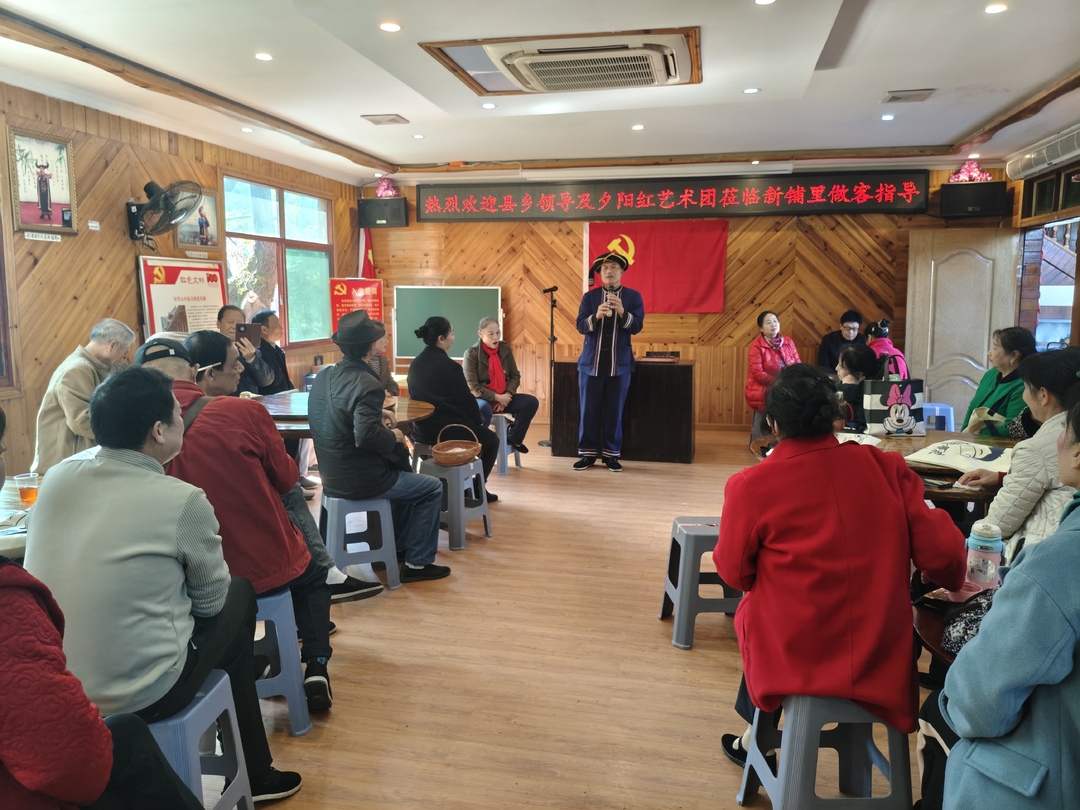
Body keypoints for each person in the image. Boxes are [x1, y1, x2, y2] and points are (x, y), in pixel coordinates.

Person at [23, 365, 302, 802]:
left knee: (224, 633)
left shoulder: (57, 476)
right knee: (239, 595)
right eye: (177, 413)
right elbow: (211, 605)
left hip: (61, 683)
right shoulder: (182, 499)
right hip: (144, 692)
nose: (182, 420)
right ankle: (255, 768)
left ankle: (250, 756)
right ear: (158, 431)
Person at [713, 364, 966, 765]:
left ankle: (756, 738)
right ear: (836, 416)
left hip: (793, 657)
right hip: (880, 654)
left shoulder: (751, 485)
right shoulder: (886, 468)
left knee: (760, 607)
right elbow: (946, 558)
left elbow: (734, 573)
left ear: (773, 424)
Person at [168, 331, 336, 711]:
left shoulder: (146, 429)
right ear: (204, 373)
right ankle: (315, 665)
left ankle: (247, 664)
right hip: (265, 564)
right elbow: (288, 479)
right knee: (314, 576)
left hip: (193, 579)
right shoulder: (244, 413)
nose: (241, 371)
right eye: (234, 365)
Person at [939, 397, 1080, 809]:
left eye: (1065, 430)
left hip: (1047, 781)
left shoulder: (1058, 563)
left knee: (940, 714)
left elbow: (977, 704)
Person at [0, 555, 204, 810]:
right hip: (149, 689)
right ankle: (248, 767)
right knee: (239, 597)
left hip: (95, 695)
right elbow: (71, 766)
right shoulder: (8, 601)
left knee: (126, 732)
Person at [309, 310, 450, 583]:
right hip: (361, 479)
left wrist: (377, 414)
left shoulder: (325, 376)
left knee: (403, 474)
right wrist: (394, 436)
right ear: (372, 345)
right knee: (431, 487)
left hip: (331, 475)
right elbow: (366, 437)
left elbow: (339, 413)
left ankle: (396, 547)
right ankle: (417, 564)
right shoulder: (368, 382)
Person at [956, 348, 1080, 562]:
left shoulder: (1039, 447)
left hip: (1035, 556)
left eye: (1025, 387)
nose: (1024, 396)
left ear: (1043, 395)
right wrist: (1002, 477)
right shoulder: (1071, 427)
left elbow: (997, 525)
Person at [407, 316, 501, 500]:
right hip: (448, 431)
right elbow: (467, 401)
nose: (454, 337)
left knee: (478, 432)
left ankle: (453, 486)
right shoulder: (450, 366)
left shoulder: (415, 364)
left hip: (422, 430)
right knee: (491, 440)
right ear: (441, 339)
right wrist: (478, 422)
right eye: (452, 333)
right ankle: (476, 489)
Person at [32, 318, 136, 475]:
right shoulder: (77, 369)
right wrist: (127, 437)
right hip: (65, 467)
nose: (124, 358)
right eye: (125, 352)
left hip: (76, 464)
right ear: (112, 345)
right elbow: (82, 421)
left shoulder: (94, 368)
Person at [573, 252, 645, 472]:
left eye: (614, 267)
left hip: (619, 364)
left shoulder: (633, 296)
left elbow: (637, 326)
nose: (609, 271)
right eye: (605, 268)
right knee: (588, 411)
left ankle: (611, 455)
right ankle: (587, 454)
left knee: (615, 411)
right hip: (590, 364)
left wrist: (622, 311)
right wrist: (596, 316)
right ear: (600, 273)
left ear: (621, 271)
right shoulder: (590, 297)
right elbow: (580, 325)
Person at [249, 309, 320, 492]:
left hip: (286, 400)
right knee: (284, 443)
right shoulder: (258, 351)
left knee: (296, 439)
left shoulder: (276, 349)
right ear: (263, 329)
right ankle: (290, 483)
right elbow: (267, 381)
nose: (282, 329)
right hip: (272, 405)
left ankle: (297, 475)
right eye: (277, 325)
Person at [463, 317, 540, 453]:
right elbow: (473, 387)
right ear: (480, 334)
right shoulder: (471, 354)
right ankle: (483, 446)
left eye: (498, 332)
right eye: (491, 334)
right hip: (482, 398)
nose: (496, 337)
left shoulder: (504, 348)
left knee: (531, 402)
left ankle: (513, 438)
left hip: (504, 395)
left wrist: (507, 396)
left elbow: (515, 376)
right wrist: (497, 398)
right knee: (482, 409)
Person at [961, 326, 1037, 437]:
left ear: (1014, 355)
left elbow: (1010, 430)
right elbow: (973, 407)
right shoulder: (991, 374)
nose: (989, 352)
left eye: (995, 348)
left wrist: (975, 433)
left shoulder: (1023, 387)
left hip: (994, 445)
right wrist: (963, 434)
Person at [744, 310, 800, 445]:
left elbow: (797, 363)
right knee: (763, 416)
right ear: (761, 328)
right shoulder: (757, 346)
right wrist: (779, 382)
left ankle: (781, 447)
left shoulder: (788, 342)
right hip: (763, 389)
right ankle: (758, 446)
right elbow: (757, 373)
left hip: (786, 387)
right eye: (768, 323)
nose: (773, 325)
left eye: (775, 321)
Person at [217, 304, 274, 396]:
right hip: (223, 402)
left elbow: (266, 380)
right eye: (230, 322)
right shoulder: (210, 349)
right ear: (219, 324)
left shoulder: (250, 349)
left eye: (239, 323)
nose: (234, 326)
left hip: (249, 401)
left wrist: (252, 358)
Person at [835, 343, 881, 431]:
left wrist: (848, 387)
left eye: (841, 367)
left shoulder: (872, 390)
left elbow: (850, 417)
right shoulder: (839, 382)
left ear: (858, 374)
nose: (836, 368)